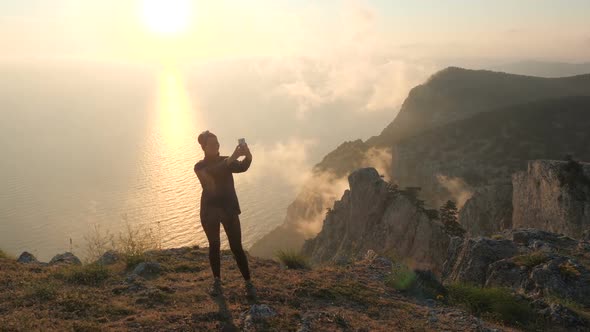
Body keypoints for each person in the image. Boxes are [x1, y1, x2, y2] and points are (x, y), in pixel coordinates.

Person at [194, 130, 256, 300]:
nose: (216, 146)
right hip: (210, 212)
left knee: (237, 247)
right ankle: (217, 281)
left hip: (229, 210)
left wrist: (248, 155)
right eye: (212, 144)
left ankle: (248, 282)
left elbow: (242, 167)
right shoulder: (199, 166)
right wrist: (233, 157)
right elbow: (214, 172)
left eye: (217, 143)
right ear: (204, 147)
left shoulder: (226, 161)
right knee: (214, 246)